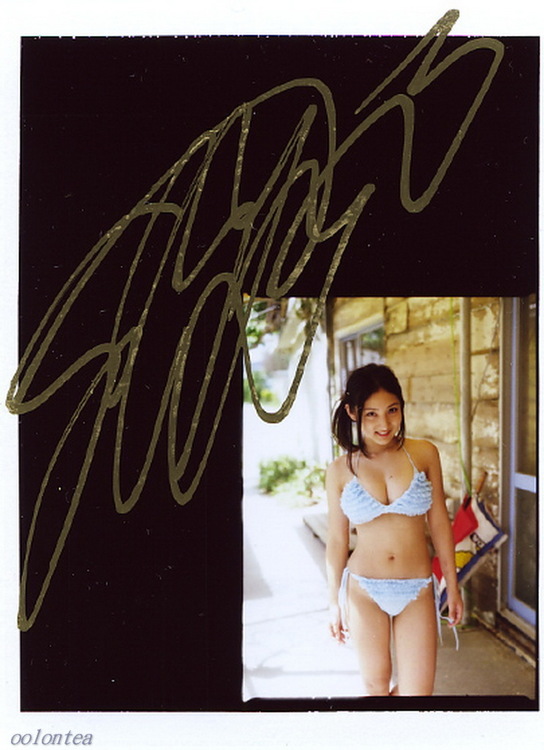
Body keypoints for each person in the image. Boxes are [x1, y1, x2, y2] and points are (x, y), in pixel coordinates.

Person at [325, 363, 462, 696]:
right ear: (352, 412)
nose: (384, 424)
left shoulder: (424, 453)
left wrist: (453, 584)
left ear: (402, 408)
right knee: (375, 688)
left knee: (418, 694)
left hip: (417, 588)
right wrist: (333, 603)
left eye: (392, 410)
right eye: (371, 414)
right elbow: (337, 540)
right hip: (363, 590)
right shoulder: (339, 470)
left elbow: (440, 523)